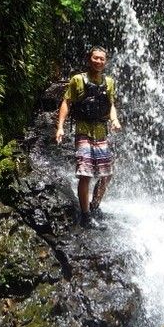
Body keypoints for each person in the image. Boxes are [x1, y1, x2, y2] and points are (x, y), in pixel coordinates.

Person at [55, 46, 122, 227]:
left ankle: (94, 206)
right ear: (89, 59)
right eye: (95, 58)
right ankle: (85, 216)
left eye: (102, 59)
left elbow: (111, 104)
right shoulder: (78, 80)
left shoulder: (109, 82)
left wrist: (114, 119)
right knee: (85, 174)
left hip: (101, 131)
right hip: (83, 130)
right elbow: (66, 102)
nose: (98, 61)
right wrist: (60, 127)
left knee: (107, 174)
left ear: (105, 62)